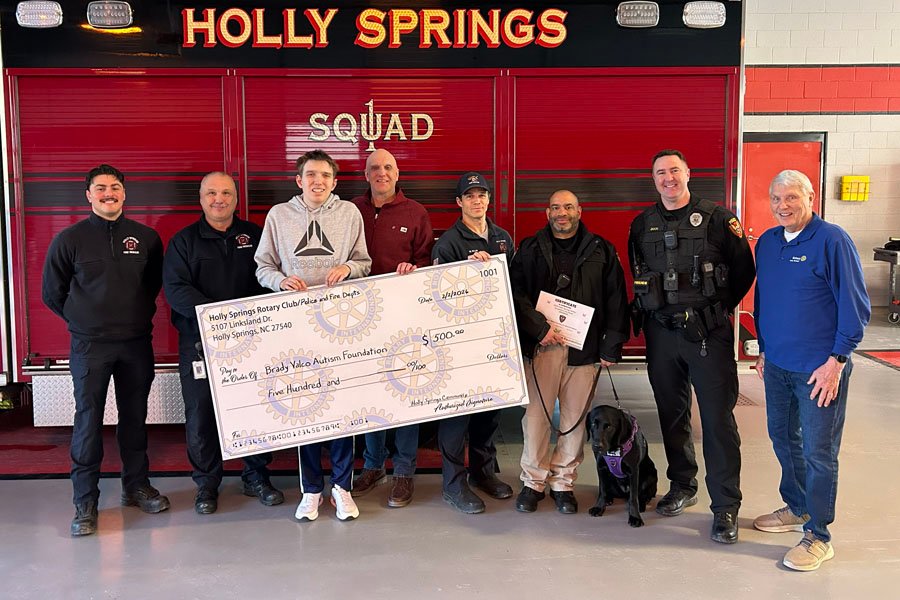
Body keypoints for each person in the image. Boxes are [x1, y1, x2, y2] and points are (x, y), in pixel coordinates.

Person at [628, 149, 755, 543]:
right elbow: (638, 272)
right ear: (653, 179)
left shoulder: (718, 219)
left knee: (717, 421)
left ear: (688, 173)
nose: (668, 178)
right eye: (660, 173)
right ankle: (682, 485)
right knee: (671, 414)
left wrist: (714, 312)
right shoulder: (641, 224)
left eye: (674, 171)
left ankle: (726, 506)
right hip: (661, 334)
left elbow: (744, 271)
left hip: (707, 335)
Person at [42, 164, 169, 537]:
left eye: (115, 187)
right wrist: (85, 320)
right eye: (100, 188)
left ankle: (136, 487)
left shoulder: (146, 238)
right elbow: (52, 293)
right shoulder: (69, 240)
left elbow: (152, 286)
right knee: (88, 422)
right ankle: (85, 503)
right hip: (90, 346)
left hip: (135, 343)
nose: (108, 193)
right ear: (89, 195)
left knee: (135, 418)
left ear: (124, 193)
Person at [753, 169, 870, 571]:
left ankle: (819, 535)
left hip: (820, 369)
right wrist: (764, 348)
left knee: (819, 452)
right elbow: (765, 299)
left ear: (810, 198)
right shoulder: (768, 243)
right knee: (783, 438)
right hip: (777, 364)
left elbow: (855, 306)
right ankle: (798, 506)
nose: (782, 206)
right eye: (776, 198)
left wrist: (837, 360)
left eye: (791, 197)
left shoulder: (832, 240)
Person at [255, 149, 372, 522]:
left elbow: (364, 262)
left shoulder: (349, 214)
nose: (317, 181)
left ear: (334, 182)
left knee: (342, 409)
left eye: (324, 175)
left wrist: (348, 268)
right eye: (310, 174)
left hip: (341, 327)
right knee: (303, 407)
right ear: (299, 180)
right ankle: (311, 490)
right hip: (296, 327)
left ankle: (341, 488)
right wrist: (279, 281)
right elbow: (262, 266)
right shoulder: (279, 215)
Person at [163, 172, 284, 515]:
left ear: (236, 198)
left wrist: (245, 322)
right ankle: (206, 484)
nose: (219, 199)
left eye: (226, 193)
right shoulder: (183, 242)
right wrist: (218, 320)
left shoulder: (255, 235)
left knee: (255, 407)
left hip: (252, 341)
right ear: (201, 199)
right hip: (199, 343)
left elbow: (268, 277)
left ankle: (256, 476)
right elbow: (176, 290)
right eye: (212, 193)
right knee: (201, 413)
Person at [510, 190, 629, 514]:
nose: (561, 213)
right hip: (543, 347)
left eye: (567, 207)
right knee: (535, 418)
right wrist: (539, 329)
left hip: (585, 351)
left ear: (579, 211)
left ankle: (563, 483)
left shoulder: (602, 250)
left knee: (575, 420)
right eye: (555, 207)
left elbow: (616, 298)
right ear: (547, 213)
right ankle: (533, 483)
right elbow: (516, 295)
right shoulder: (530, 248)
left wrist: (611, 345)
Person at [350, 149, 435, 508]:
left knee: (406, 394)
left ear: (397, 173)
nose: (381, 173)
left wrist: (414, 270)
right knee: (370, 394)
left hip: (403, 320)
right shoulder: (350, 210)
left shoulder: (416, 212)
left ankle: (403, 470)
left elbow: (427, 263)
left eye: (387, 167)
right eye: (374, 168)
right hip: (359, 322)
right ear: (365, 175)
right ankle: (373, 465)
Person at [431, 171, 515, 514]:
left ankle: (483, 473)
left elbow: (513, 286)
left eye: (482, 194)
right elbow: (437, 298)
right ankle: (453, 485)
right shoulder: (448, 243)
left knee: (489, 413)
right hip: (459, 345)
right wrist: (465, 273)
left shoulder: (502, 238)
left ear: (489, 199)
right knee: (458, 417)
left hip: (494, 340)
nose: (477, 200)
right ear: (459, 202)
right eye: (470, 195)